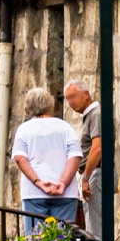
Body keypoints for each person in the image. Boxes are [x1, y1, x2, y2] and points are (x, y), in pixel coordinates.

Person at [12, 85, 81, 230]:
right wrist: (62, 183)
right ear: (50, 104)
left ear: (28, 107)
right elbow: (75, 156)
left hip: (34, 193)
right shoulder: (65, 127)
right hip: (65, 193)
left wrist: (38, 182)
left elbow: (20, 158)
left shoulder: (24, 130)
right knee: (63, 240)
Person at [65, 82, 102, 222]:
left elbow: (97, 148)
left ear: (85, 94)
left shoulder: (96, 114)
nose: (70, 102)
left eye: (73, 97)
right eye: (67, 99)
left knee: (95, 226)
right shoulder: (91, 115)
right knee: (92, 222)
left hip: (96, 172)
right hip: (93, 173)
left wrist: (86, 178)